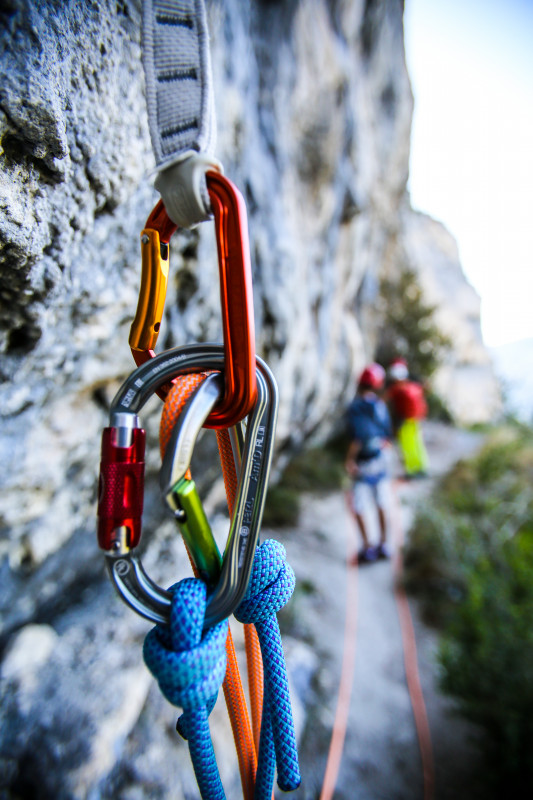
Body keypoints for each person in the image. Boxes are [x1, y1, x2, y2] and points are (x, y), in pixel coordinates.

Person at [345, 363, 392, 564]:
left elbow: (359, 436)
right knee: (381, 502)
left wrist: (350, 460)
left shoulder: (356, 407)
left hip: (363, 462)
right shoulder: (380, 406)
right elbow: (387, 435)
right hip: (381, 458)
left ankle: (367, 548)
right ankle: (383, 545)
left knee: (358, 505)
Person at [386, 358, 429, 479]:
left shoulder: (398, 389)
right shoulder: (415, 387)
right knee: (417, 444)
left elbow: (385, 398)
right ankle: (422, 468)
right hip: (417, 420)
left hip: (406, 422)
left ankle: (412, 470)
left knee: (408, 446)